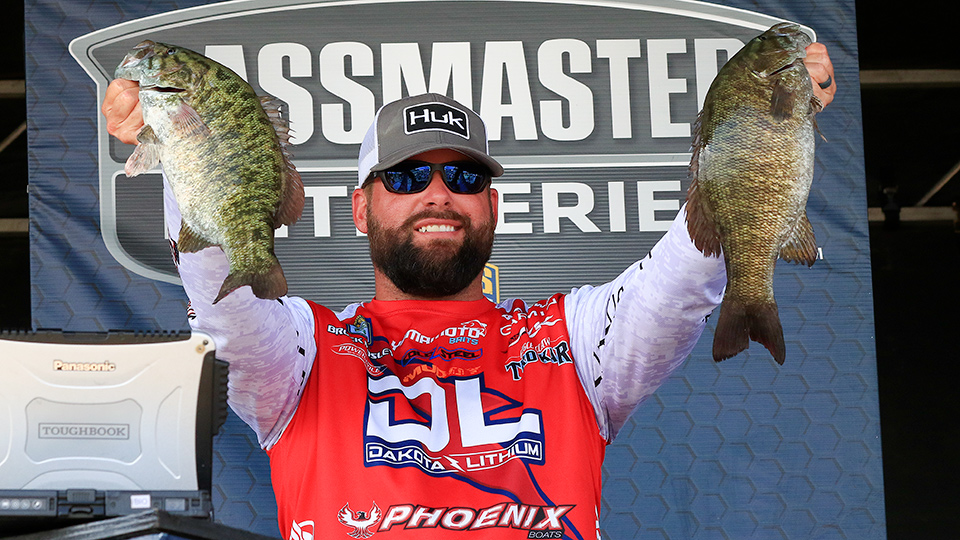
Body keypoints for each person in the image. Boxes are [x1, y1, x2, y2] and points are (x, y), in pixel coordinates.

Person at [102, 44, 836, 540]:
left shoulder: (576, 339)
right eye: (406, 176)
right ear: (360, 208)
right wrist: (180, 139)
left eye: (463, 176)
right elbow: (226, 304)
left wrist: (767, 123)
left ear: (493, 206)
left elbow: (681, 280)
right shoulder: (301, 353)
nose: (437, 193)